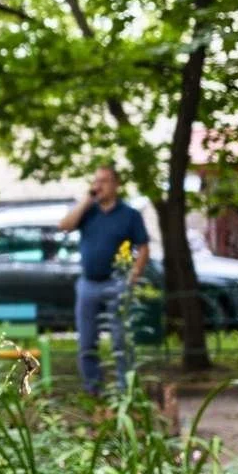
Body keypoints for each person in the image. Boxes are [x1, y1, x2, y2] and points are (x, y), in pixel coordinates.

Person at [58, 165, 150, 396]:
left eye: (104, 181)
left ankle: (124, 389)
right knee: (87, 341)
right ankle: (94, 389)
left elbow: (143, 246)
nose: (99, 186)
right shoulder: (87, 212)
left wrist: (133, 275)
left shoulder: (130, 215)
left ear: (116, 184)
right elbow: (65, 226)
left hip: (116, 282)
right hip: (88, 283)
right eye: (96, 181)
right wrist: (87, 200)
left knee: (121, 339)